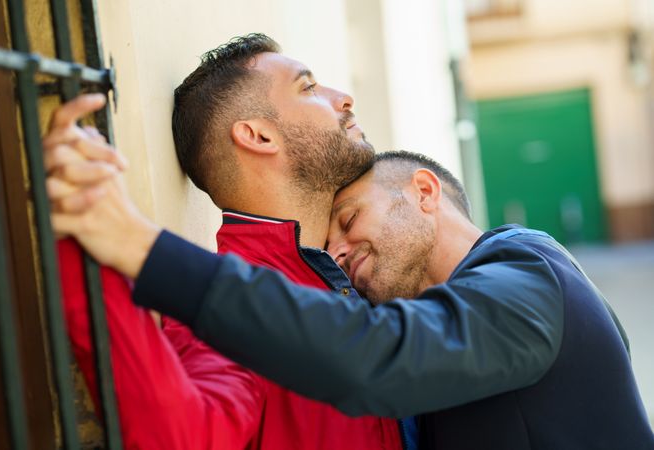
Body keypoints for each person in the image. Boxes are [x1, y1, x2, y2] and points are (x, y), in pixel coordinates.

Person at [50, 129, 654, 449]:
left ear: (423, 193)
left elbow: (378, 355)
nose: (336, 249)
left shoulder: (529, 267)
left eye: (349, 219)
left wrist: (142, 250)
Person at [49, 34, 405, 449]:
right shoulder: (220, 309)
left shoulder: (359, 272)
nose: (343, 98)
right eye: (308, 87)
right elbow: (181, 436)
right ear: (257, 136)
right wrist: (79, 232)